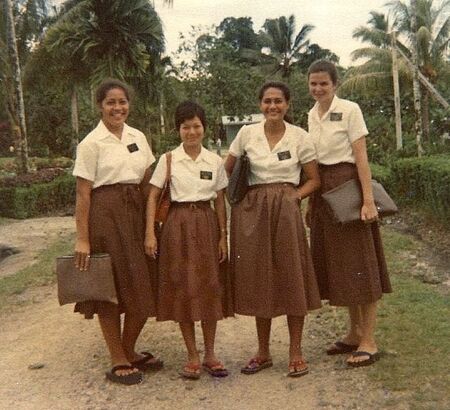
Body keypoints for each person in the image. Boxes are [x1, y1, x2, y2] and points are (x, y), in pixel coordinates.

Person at [224, 82, 322, 378]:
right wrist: (243, 201)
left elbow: (313, 179)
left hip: (285, 209)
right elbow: (226, 169)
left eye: (278, 101)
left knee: (292, 273)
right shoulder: (246, 134)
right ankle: (263, 352)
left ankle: (295, 351)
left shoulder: (299, 137)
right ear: (260, 105)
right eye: (267, 101)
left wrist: (295, 196)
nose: (272, 106)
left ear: (288, 104)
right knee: (259, 277)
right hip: (252, 211)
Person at [73, 78, 162, 385]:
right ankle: (117, 357)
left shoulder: (138, 136)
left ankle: (129, 350)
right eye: (110, 102)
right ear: (100, 106)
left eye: (122, 102)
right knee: (108, 287)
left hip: (136, 215)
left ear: (129, 104)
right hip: (105, 217)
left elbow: (150, 179)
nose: (117, 108)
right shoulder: (91, 143)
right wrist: (82, 238)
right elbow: (83, 194)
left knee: (142, 283)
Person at [306, 60, 392, 367]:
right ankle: (354, 333)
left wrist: (368, 201)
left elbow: (361, 157)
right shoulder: (311, 115)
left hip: (347, 187)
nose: (318, 89)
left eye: (324, 84)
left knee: (361, 264)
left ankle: (369, 340)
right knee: (341, 265)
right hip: (323, 192)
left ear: (335, 84)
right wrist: (311, 203)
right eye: (313, 83)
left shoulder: (350, 110)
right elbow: (313, 162)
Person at [145, 101, 232, 380]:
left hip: (206, 224)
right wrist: (150, 233)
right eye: (186, 127)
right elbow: (152, 197)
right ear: (178, 129)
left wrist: (222, 236)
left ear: (204, 128)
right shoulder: (168, 159)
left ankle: (210, 354)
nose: (191, 132)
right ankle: (192, 355)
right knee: (183, 287)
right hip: (177, 226)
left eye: (196, 126)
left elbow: (219, 201)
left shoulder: (215, 161)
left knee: (209, 286)